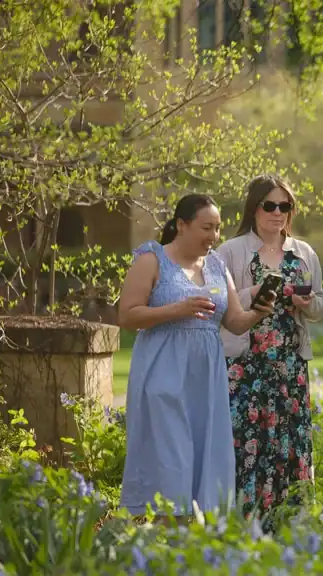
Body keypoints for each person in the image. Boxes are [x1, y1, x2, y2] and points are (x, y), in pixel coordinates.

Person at [117, 193, 275, 522]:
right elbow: (128, 316)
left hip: (206, 378)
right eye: (207, 227)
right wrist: (177, 309)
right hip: (163, 372)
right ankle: (165, 533)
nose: (214, 236)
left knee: (204, 453)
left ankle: (195, 540)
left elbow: (233, 322)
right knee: (170, 455)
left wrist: (259, 311)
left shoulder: (217, 265)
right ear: (181, 225)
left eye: (217, 229)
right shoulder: (152, 259)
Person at [217, 174, 323, 528]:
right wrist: (254, 292)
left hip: (289, 364)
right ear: (254, 208)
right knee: (247, 442)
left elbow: (321, 306)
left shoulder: (304, 252)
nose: (278, 212)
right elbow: (217, 303)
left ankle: (291, 522)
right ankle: (243, 522)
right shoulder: (230, 252)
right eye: (270, 205)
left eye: (285, 206)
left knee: (288, 441)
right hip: (245, 364)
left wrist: (306, 303)